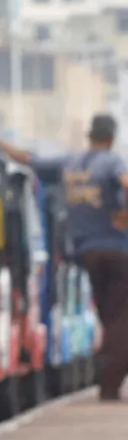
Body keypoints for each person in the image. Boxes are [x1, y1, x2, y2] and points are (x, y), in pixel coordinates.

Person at [60, 114, 128, 401]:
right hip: (118, 251)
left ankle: (107, 375)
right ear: (111, 138)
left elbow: (28, 158)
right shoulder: (112, 162)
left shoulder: (71, 164)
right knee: (122, 320)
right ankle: (109, 386)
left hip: (87, 252)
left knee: (109, 316)